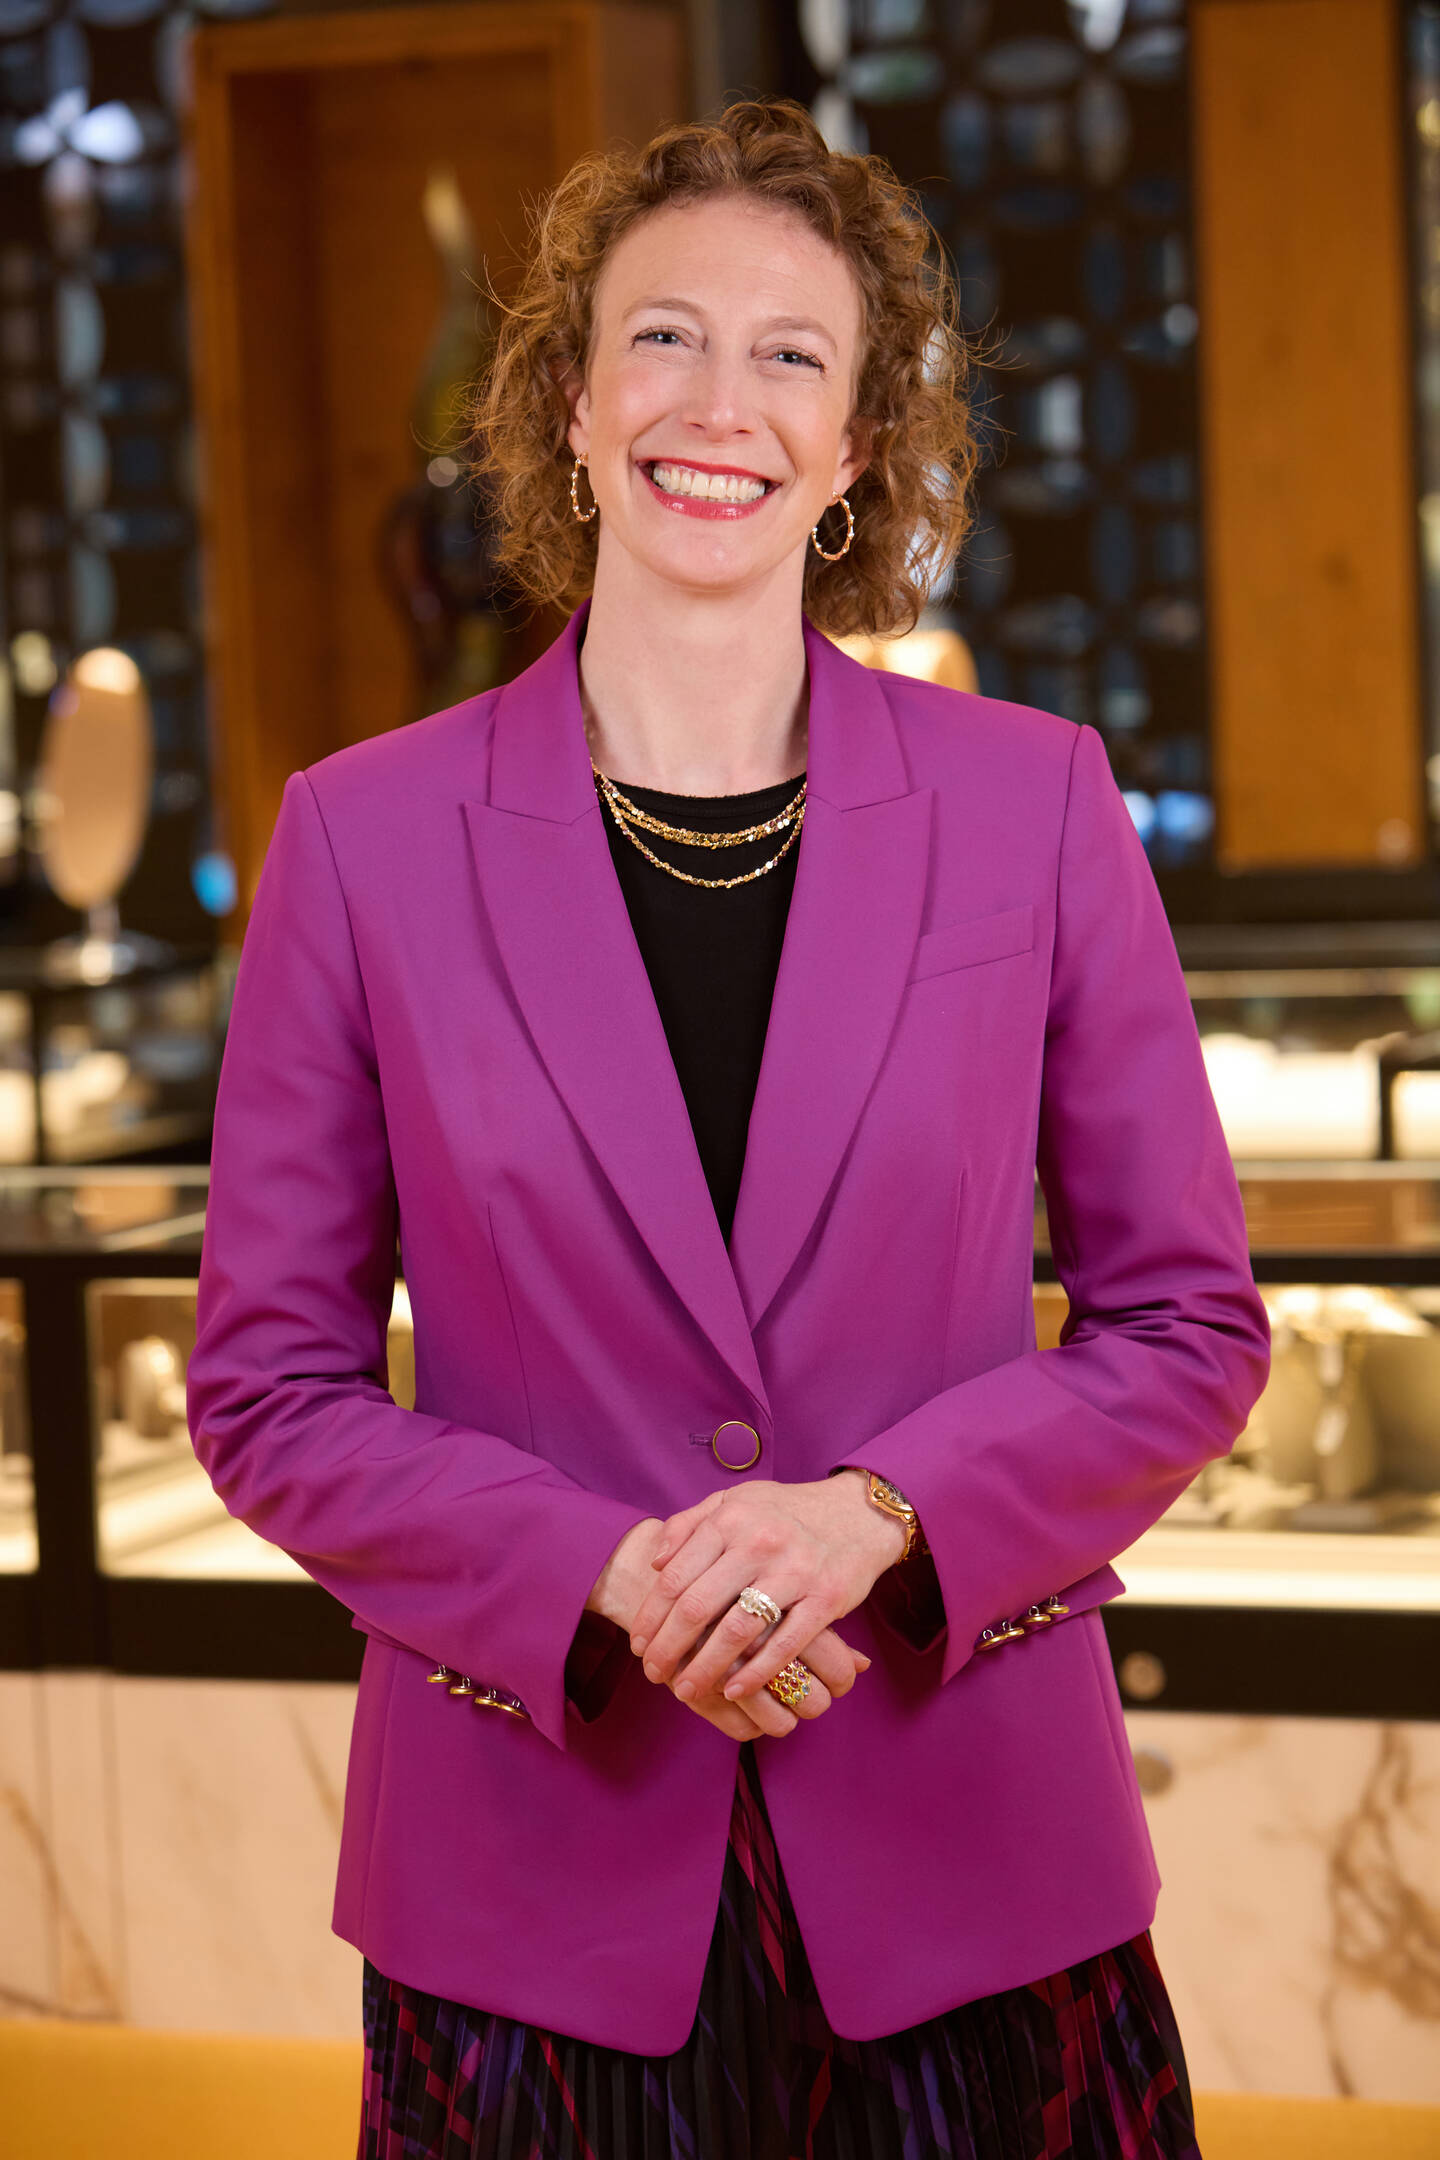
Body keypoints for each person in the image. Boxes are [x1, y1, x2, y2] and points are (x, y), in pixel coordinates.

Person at [186, 98, 1270, 2160]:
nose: (721, 402)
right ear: (571, 406)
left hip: (977, 1870)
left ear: (859, 449)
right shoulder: (359, 836)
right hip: (528, 1884)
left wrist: (871, 1518)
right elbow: (267, 1385)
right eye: (664, 338)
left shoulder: (1034, 802)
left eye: (794, 355)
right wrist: (606, 1573)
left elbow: (1188, 1325)